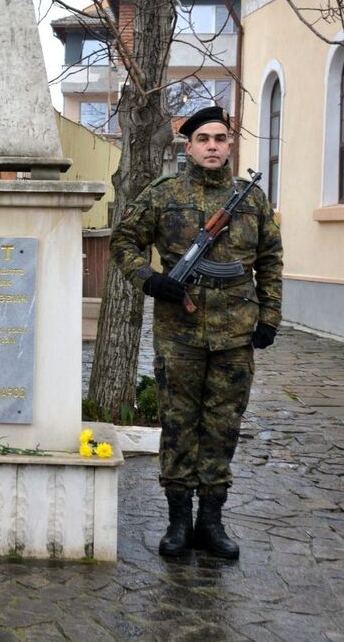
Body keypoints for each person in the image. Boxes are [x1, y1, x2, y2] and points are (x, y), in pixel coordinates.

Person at [110, 105, 282, 559]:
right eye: (203, 139)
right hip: (179, 333)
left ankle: (212, 521)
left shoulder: (253, 199)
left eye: (220, 139)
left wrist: (269, 318)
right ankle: (178, 522)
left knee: (223, 426)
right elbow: (123, 240)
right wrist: (151, 280)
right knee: (180, 425)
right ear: (188, 146)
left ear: (229, 146)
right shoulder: (164, 193)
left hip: (235, 334)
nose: (212, 146)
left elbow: (270, 261)